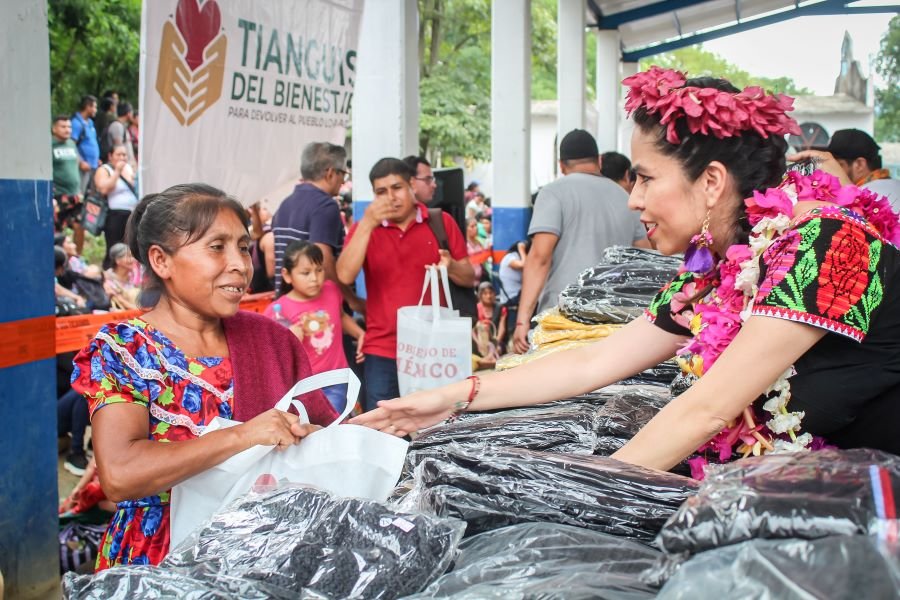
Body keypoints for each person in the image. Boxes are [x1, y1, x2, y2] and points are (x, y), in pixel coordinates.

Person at [353, 67, 900, 477]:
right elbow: (593, 361)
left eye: (644, 178)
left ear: (711, 182)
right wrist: (445, 399)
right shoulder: (716, 266)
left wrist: (584, 490)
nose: (632, 200)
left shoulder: (832, 244)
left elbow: (709, 410)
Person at [70, 183, 338, 568]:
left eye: (244, 247)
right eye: (217, 247)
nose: (240, 264)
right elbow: (121, 473)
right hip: (160, 562)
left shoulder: (273, 340)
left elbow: (320, 431)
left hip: (263, 550)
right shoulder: (124, 350)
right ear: (161, 260)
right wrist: (244, 435)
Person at [336, 158, 474, 411]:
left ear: (411, 185)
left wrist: (451, 266)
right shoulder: (365, 229)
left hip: (435, 349)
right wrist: (367, 223)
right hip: (383, 350)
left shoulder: (440, 222)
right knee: (381, 430)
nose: (390, 197)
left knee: (438, 426)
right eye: (381, 192)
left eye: (396, 188)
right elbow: (344, 275)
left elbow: (469, 276)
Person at [512, 129, 651, 353]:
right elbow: (644, 257)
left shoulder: (553, 193)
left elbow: (539, 257)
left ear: (561, 165)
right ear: (598, 160)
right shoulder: (625, 197)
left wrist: (521, 322)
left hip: (561, 319)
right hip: (612, 320)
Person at [264, 240, 365, 412]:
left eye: (319, 270)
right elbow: (269, 357)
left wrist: (359, 333)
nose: (314, 278)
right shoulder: (276, 311)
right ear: (287, 275)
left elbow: (339, 316)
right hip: (302, 386)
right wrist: (288, 340)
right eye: (305, 273)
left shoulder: (331, 290)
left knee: (331, 426)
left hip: (337, 379)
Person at [272, 142, 364, 313]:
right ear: (330, 173)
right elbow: (324, 257)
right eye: (343, 174)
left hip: (288, 305)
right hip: (318, 310)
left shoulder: (285, 204)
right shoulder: (325, 206)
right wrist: (350, 300)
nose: (342, 182)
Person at [809, 128, 900, 211]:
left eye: (837, 165)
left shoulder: (868, 199)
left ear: (859, 165)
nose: (829, 172)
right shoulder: (893, 186)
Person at [94, 143, 139, 266]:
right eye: (118, 154)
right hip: (115, 215)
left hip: (131, 213)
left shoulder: (129, 168)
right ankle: (109, 270)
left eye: (124, 155)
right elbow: (103, 189)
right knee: (114, 247)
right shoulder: (104, 169)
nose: (122, 158)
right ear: (110, 156)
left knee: (129, 246)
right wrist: (117, 171)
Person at [52, 115, 85, 250]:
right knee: (59, 228)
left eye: (69, 127)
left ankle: (77, 257)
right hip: (59, 195)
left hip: (75, 194)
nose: (67, 130)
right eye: (63, 126)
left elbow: (77, 163)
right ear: (54, 129)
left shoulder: (72, 143)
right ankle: (60, 259)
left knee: (80, 226)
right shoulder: (49, 145)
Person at [70, 95, 100, 196]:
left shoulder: (90, 123)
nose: (96, 110)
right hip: (83, 166)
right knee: (80, 194)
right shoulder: (76, 123)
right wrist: (80, 161)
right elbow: (71, 145)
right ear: (88, 107)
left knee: (91, 196)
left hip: (93, 165)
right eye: (94, 107)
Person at [474, 281, 507, 359]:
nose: (488, 296)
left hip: (495, 340)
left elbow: (502, 328)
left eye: (490, 293)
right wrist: (479, 343)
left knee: (498, 350)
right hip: (480, 341)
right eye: (485, 294)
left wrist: (496, 343)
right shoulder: (476, 308)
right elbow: (473, 330)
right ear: (480, 295)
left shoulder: (500, 308)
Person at [103, 243, 140, 311]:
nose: (133, 260)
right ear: (118, 260)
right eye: (129, 256)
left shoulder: (136, 274)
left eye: (133, 256)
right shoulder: (107, 279)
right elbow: (119, 300)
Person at [248, 202, 275, 293]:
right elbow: (257, 232)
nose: (263, 210)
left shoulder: (270, 233)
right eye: (261, 209)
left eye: (264, 208)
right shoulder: (251, 231)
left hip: (263, 284)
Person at [101, 102, 136, 169]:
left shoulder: (121, 126)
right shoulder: (117, 126)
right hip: (119, 166)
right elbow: (118, 148)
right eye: (131, 112)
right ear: (128, 113)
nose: (132, 115)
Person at [465, 218, 488, 282]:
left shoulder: (479, 242)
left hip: (480, 279)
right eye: (472, 226)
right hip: (469, 280)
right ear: (466, 228)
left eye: (476, 226)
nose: (476, 228)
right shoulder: (464, 244)